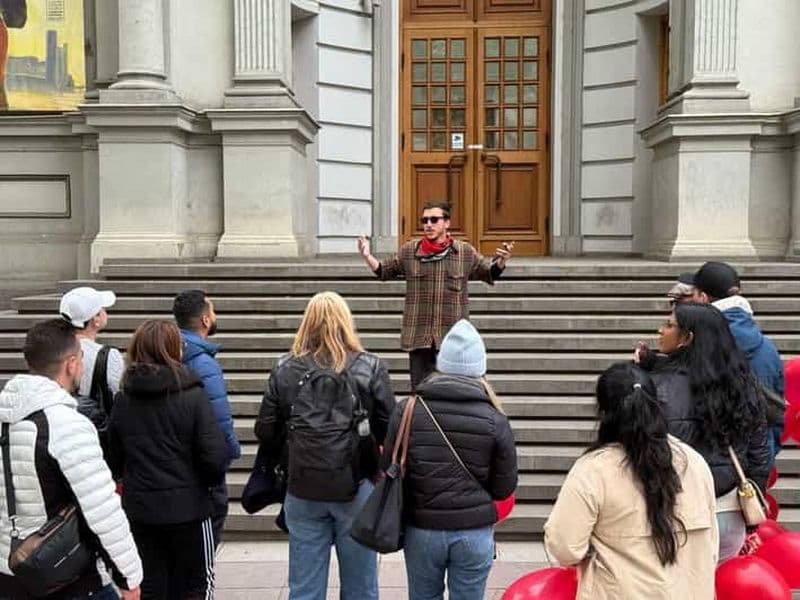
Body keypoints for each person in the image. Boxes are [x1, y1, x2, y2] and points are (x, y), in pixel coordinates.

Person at [255, 291, 395, 600]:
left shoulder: (284, 368)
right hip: (356, 486)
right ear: (347, 322)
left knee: (305, 587)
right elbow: (389, 432)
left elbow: (265, 430)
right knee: (361, 587)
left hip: (302, 485)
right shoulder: (370, 367)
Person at [545, 363, 718, 600]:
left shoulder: (593, 470)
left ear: (604, 412)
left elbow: (564, 547)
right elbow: (711, 547)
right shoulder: (693, 462)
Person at [0, 319, 142, 599]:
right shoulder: (66, 423)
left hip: (8, 569)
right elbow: (102, 508)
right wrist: (129, 578)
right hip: (65, 574)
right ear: (72, 363)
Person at [382, 319, 517, 600]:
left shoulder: (407, 409)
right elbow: (504, 488)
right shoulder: (496, 419)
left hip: (422, 529)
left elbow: (389, 469)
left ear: (441, 364)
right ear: (480, 368)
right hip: (475, 531)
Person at [637, 302, 770, 562]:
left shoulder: (657, 390)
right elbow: (760, 455)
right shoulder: (742, 385)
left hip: (677, 517)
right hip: (729, 515)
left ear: (687, 338)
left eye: (669, 325)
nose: (660, 330)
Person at [107, 319, 228, 600]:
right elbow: (214, 456)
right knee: (198, 583)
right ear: (176, 349)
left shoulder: (124, 399)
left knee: (151, 583)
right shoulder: (193, 395)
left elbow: (114, 457)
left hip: (142, 509)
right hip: (191, 508)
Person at [358, 201, 513, 390]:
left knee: (452, 393)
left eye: (434, 219)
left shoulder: (463, 252)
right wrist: (367, 256)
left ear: (446, 223)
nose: (428, 224)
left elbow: (489, 272)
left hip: (452, 340)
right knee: (421, 393)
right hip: (419, 337)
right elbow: (384, 271)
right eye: (425, 220)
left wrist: (502, 261)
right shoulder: (410, 251)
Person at [691, 261, 784, 464]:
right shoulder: (768, 348)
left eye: (694, 294)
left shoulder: (700, 344)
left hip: (712, 461)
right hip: (758, 458)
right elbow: (777, 409)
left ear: (704, 297)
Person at [173, 289, 240, 548]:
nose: (214, 316)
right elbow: (219, 417)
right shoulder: (203, 364)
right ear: (204, 320)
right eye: (212, 311)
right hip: (203, 466)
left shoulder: (167, 352)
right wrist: (229, 452)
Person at [59, 286, 125, 399]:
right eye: (102, 308)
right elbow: (118, 395)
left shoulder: (52, 348)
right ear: (96, 319)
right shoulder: (109, 356)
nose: (105, 311)